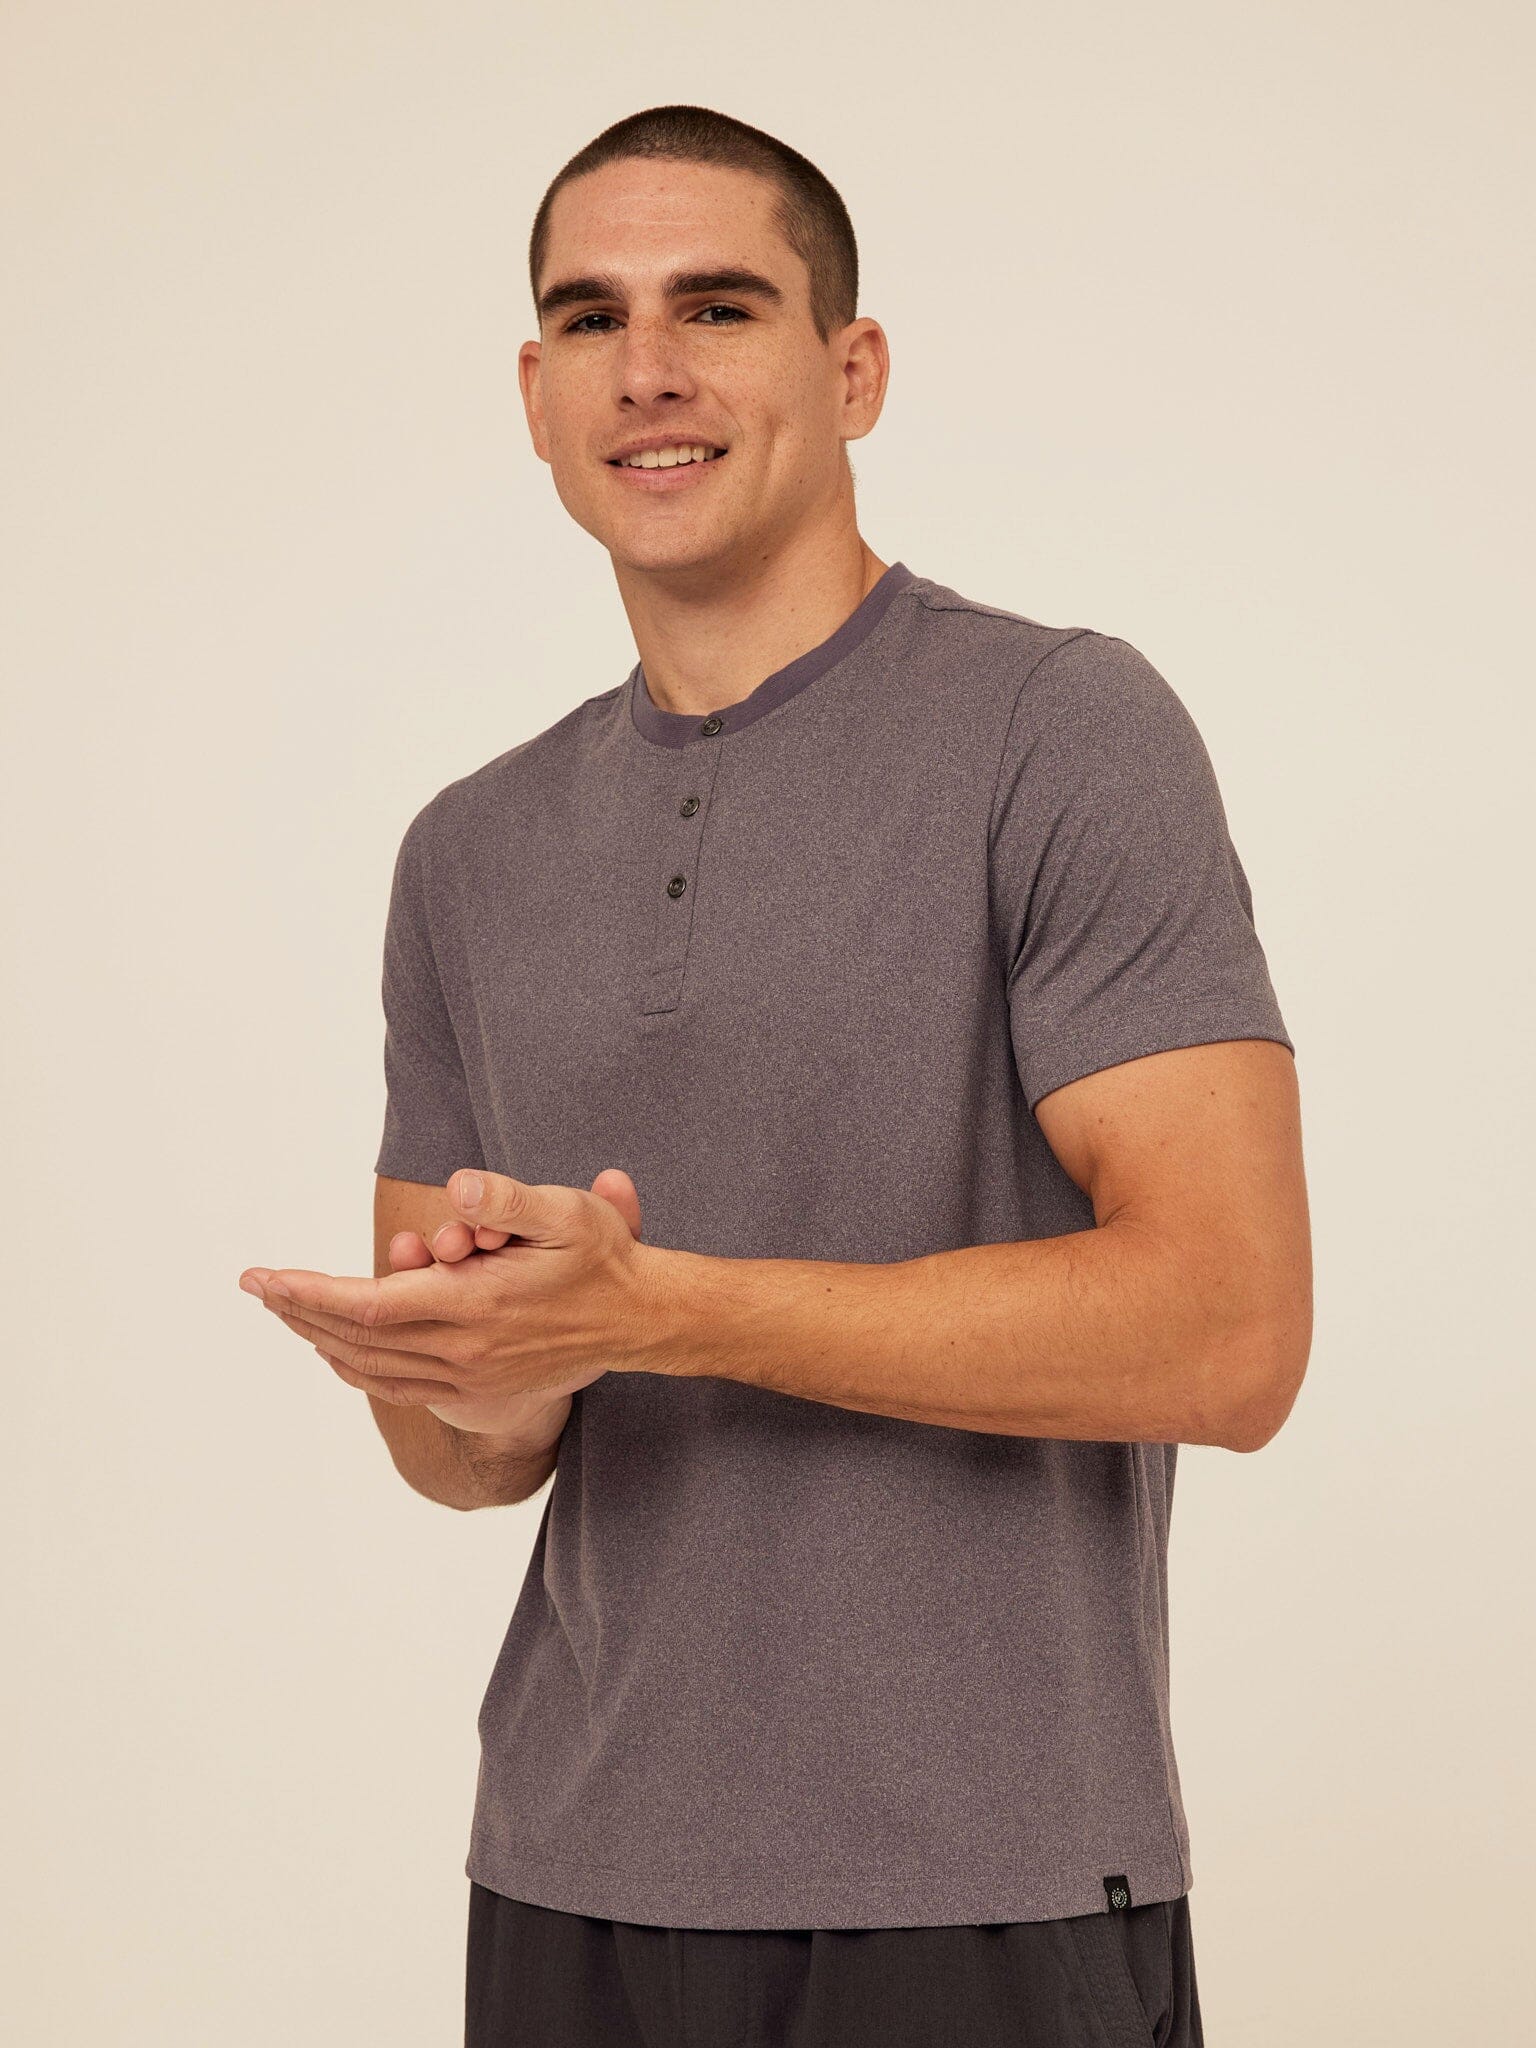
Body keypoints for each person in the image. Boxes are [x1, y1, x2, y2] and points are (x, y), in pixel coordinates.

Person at [239, 102, 1311, 2046]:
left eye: (717, 308)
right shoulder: (465, 851)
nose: (646, 369)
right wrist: (480, 1367)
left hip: (978, 1892)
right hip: (563, 1882)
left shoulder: (1061, 730)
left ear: (854, 368)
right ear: (536, 396)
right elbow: (462, 1460)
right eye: (590, 319)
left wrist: (665, 1310)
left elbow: (1230, 1332)